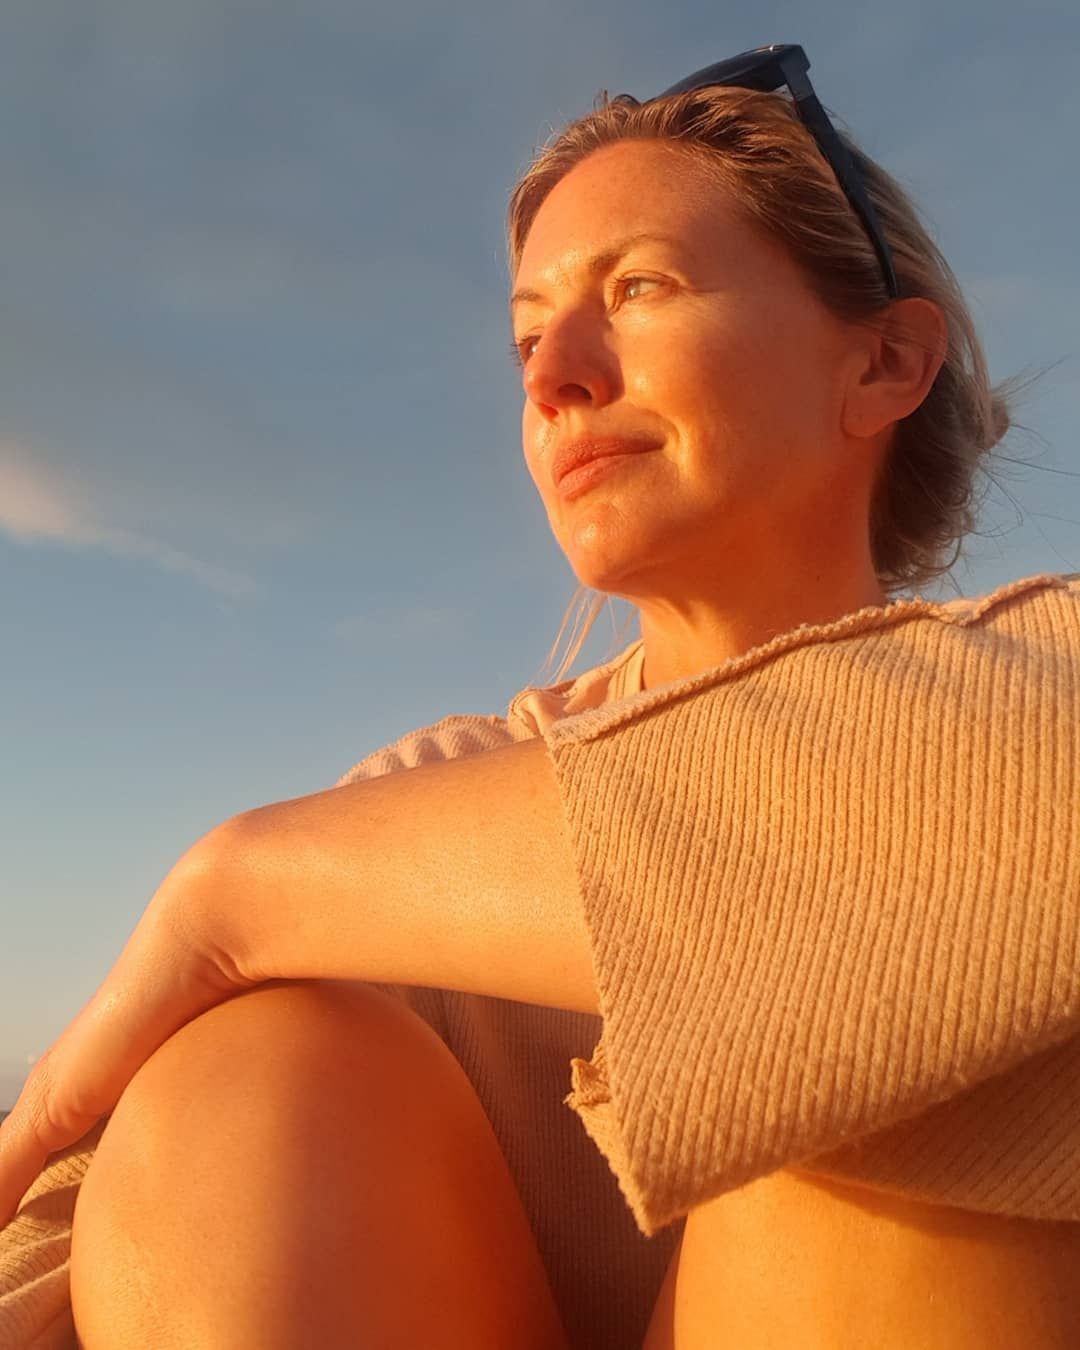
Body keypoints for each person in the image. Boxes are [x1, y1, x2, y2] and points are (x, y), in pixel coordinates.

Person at [2, 43, 1079, 1350]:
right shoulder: (419, 811)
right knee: (239, 1074)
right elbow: (73, 1233)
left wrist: (228, 890)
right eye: (525, 333)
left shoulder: (1041, 684)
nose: (550, 372)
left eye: (640, 287)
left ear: (885, 363)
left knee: (924, 1027)